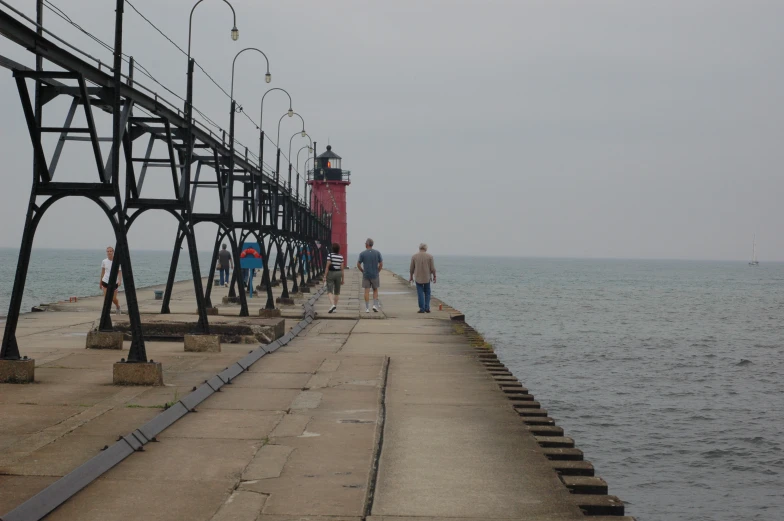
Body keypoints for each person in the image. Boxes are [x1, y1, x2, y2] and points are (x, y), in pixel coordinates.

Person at [357, 238, 383, 313]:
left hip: (366, 275)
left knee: (366, 291)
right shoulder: (377, 253)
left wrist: (362, 271)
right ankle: (374, 305)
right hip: (375, 274)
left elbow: (358, 264)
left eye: (365, 243)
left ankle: (367, 308)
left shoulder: (362, 253)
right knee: (375, 290)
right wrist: (378, 271)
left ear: (367, 244)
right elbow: (381, 264)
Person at [409, 243, 437, 313]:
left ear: (419, 248)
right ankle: (427, 307)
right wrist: (434, 276)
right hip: (427, 277)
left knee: (420, 293)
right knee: (427, 292)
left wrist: (411, 276)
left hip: (418, 277)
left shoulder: (414, 256)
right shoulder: (430, 256)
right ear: (426, 248)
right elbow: (432, 268)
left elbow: (411, 268)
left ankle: (422, 308)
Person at [99, 245, 123, 314]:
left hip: (114, 283)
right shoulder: (104, 261)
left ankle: (118, 306)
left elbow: (119, 271)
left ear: (113, 252)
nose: (109, 253)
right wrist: (100, 282)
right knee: (106, 298)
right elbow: (103, 272)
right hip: (105, 281)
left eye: (110, 251)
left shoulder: (117, 261)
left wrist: (119, 280)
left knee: (113, 298)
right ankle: (106, 312)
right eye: (108, 251)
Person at [324, 243, 345, 313]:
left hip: (331, 273)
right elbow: (342, 269)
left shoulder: (330, 255)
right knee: (337, 292)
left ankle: (332, 305)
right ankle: (335, 308)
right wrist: (343, 279)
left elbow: (327, 267)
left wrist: (324, 276)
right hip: (338, 273)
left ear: (332, 249)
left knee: (329, 290)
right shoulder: (341, 257)